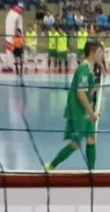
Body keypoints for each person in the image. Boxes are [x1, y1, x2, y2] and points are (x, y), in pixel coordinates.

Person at [45, 41, 105, 171]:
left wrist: (93, 92)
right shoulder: (83, 68)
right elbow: (80, 93)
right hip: (78, 110)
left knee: (91, 139)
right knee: (75, 143)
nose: (103, 55)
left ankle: (91, 171)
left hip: (86, 109)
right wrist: (91, 113)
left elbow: (87, 91)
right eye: (101, 52)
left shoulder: (90, 68)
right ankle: (52, 165)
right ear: (93, 53)